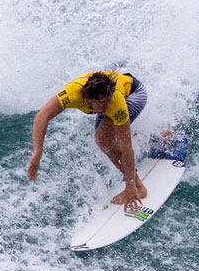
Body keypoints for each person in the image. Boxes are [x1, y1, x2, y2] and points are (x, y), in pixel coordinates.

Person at [27, 71, 149, 209]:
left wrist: (130, 186)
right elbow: (42, 116)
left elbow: (127, 148)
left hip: (134, 94)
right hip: (114, 89)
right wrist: (37, 152)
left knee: (103, 139)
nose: (106, 106)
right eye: (101, 103)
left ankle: (139, 187)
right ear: (87, 97)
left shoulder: (115, 102)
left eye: (107, 101)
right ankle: (153, 137)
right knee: (107, 135)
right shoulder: (72, 93)